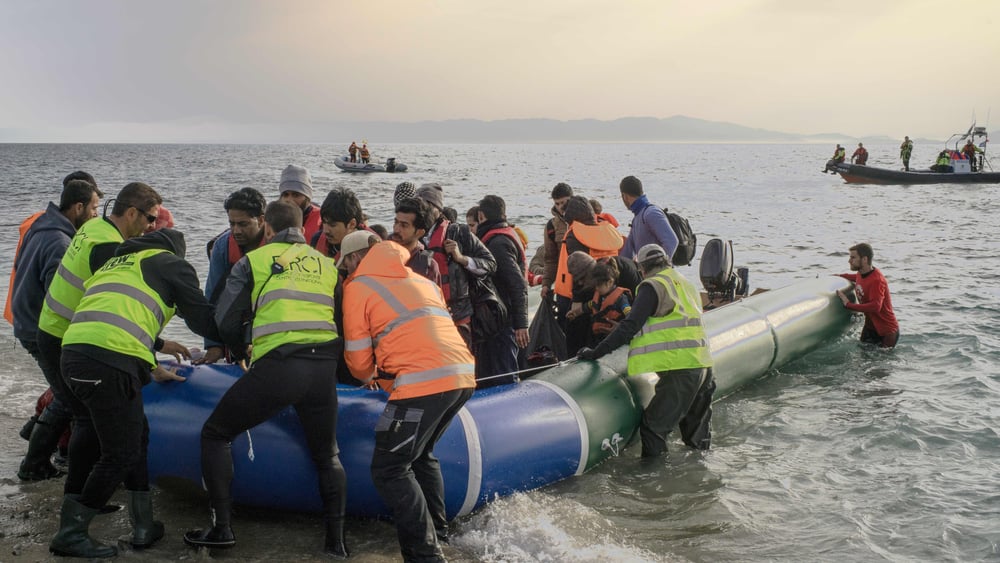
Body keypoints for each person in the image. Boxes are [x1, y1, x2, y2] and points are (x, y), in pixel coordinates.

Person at [184, 201, 348, 557]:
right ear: (302, 229)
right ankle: (336, 544)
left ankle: (221, 529)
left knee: (215, 434)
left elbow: (226, 318)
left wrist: (238, 347)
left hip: (281, 366)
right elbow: (340, 316)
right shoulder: (327, 264)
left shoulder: (254, 261)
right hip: (323, 368)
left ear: (269, 230)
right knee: (327, 455)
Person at [50, 227, 217, 558]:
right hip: (107, 362)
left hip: (74, 354)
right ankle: (71, 533)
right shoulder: (169, 262)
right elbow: (201, 318)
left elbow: (118, 317)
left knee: (137, 435)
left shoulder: (119, 261)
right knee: (120, 452)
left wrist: (152, 359)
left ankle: (144, 525)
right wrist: (235, 337)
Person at [340, 237, 476, 562]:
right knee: (421, 455)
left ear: (357, 257)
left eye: (345, 264)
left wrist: (371, 375)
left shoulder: (358, 286)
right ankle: (439, 534)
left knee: (389, 468)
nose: (344, 272)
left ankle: (425, 556)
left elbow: (359, 363)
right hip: (462, 376)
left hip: (420, 384)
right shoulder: (421, 280)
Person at [37, 182, 168, 512]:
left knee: (90, 421)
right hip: (66, 338)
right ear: (132, 213)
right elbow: (114, 309)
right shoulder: (109, 246)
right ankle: (78, 504)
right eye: (150, 219)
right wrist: (151, 360)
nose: (152, 226)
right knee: (87, 421)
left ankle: (84, 497)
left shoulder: (95, 226)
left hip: (57, 331)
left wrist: (159, 342)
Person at [578, 244, 715, 458]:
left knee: (653, 429)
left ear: (642, 268)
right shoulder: (685, 283)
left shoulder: (653, 286)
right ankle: (698, 478)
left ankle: (654, 484)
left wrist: (596, 352)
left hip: (680, 368)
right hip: (703, 365)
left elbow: (629, 325)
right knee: (696, 435)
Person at [12, 176, 102, 481]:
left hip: (25, 321)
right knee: (69, 399)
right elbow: (60, 299)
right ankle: (34, 464)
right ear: (78, 207)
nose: (95, 215)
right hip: (40, 329)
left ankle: (34, 440)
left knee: (64, 393)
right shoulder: (61, 243)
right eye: (93, 208)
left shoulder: (42, 228)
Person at [415, 183, 497, 348]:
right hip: (424, 317)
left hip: (458, 315)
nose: (424, 211)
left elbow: (490, 264)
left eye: (429, 206)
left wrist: (461, 258)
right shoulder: (410, 235)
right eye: (420, 206)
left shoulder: (460, 232)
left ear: (438, 208)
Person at [198, 187, 267, 365]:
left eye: (243, 224)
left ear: (261, 220)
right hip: (235, 324)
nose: (236, 230)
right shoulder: (223, 246)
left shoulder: (275, 245)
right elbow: (213, 296)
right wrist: (213, 345)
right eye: (231, 224)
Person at [556, 196, 624, 356]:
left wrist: (577, 302)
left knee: (574, 341)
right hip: (604, 292)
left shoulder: (576, 234)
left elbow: (578, 267)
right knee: (595, 335)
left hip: (577, 295)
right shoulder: (605, 231)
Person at [476, 195, 529, 385]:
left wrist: (521, 323)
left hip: (503, 320)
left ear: (481, 216)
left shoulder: (498, 243)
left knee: (504, 374)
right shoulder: (505, 235)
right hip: (499, 318)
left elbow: (516, 283)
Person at [836, 243, 899, 349]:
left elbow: (876, 306)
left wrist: (848, 304)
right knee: (862, 360)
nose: (849, 261)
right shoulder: (861, 273)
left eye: (853, 257)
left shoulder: (877, 280)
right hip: (870, 327)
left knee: (880, 364)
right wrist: (836, 277)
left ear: (864, 259)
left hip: (886, 333)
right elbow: (855, 277)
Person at [618, 175, 679, 261]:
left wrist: (658, 266)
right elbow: (626, 254)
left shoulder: (651, 213)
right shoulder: (637, 218)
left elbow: (672, 241)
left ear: (624, 196)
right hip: (646, 272)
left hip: (659, 272)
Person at [391, 197, 441, 285]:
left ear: (419, 233)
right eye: (396, 222)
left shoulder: (427, 267)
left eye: (404, 225)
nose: (396, 229)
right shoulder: (381, 253)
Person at [584, 259, 632, 348]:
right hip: (598, 338)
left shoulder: (621, 299)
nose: (596, 289)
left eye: (598, 285)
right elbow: (591, 304)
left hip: (613, 339)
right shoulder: (600, 296)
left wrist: (621, 327)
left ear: (609, 282)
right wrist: (577, 312)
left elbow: (630, 314)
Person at [313, 187, 367, 261]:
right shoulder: (316, 239)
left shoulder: (369, 247)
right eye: (324, 222)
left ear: (352, 224)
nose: (325, 230)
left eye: (332, 225)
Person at [541, 183, 573, 301]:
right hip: (563, 281)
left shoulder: (585, 219)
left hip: (585, 281)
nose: (560, 207)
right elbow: (550, 259)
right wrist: (546, 284)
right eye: (557, 203)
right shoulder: (551, 226)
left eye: (564, 203)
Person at [278, 164, 323, 244]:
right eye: (286, 195)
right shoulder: (272, 221)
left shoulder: (322, 222)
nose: (289, 200)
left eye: (296, 195)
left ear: (307, 197)